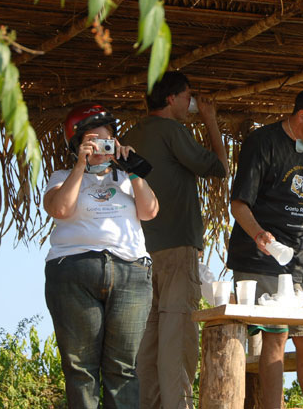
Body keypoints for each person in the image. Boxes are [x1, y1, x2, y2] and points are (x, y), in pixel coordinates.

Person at [227, 87, 303, 408]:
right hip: (258, 258)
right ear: (301, 116)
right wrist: (259, 234)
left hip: (295, 264)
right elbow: (238, 205)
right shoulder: (262, 143)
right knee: (276, 337)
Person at [122, 72, 228, 409]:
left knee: (147, 341)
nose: (189, 102)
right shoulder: (172, 131)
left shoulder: (132, 134)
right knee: (177, 337)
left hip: (139, 252)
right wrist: (210, 120)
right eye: (187, 96)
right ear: (171, 99)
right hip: (176, 249)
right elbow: (218, 167)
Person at [43, 104, 159, 409]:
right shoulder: (62, 176)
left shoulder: (128, 177)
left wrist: (133, 168)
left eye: (106, 141)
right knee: (80, 368)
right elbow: (60, 209)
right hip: (73, 269)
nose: (100, 148)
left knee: (122, 366)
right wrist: (81, 166)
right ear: (76, 145)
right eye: (91, 142)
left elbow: (150, 211)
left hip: (130, 271)